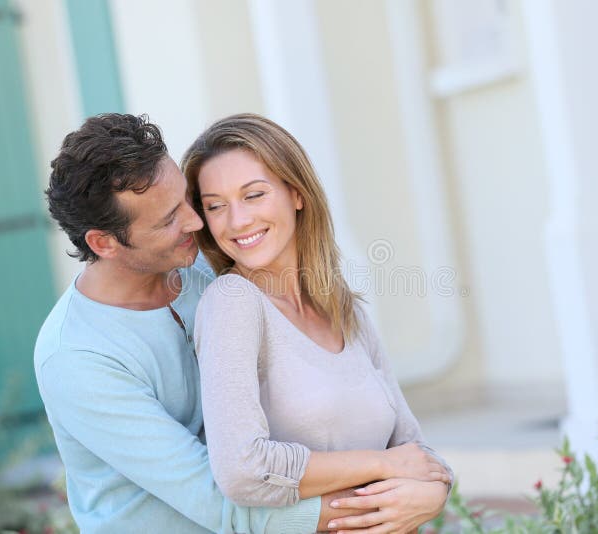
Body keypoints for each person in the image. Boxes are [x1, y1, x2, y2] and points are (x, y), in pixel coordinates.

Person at [35, 113, 445, 533]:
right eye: (168, 219)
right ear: (104, 243)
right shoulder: (76, 356)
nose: (197, 223)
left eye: (189, 202)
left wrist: (432, 486)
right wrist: (388, 489)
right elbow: (222, 498)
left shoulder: (210, 278)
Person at [182, 113, 453, 534]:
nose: (236, 221)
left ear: (296, 193)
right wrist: (381, 467)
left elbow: (413, 447)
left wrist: (437, 491)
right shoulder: (232, 303)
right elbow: (241, 470)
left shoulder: (344, 308)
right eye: (216, 206)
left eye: (253, 195)